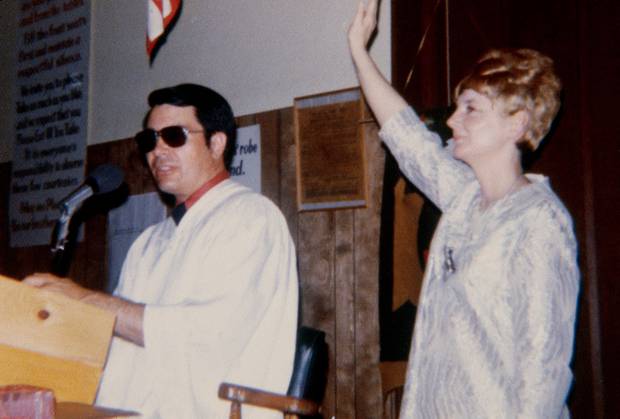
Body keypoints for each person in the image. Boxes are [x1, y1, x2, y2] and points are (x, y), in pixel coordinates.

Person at [348, 1, 579, 418]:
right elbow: (409, 140)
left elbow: (542, 372)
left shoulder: (540, 221)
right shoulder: (464, 198)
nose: (452, 120)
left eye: (471, 108)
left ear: (517, 124)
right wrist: (359, 54)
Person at [24, 83, 299, 418]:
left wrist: (85, 300)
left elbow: (206, 336)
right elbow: (116, 342)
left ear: (216, 142)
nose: (158, 150)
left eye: (175, 135)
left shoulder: (251, 218)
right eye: (149, 140)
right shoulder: (149, 242)